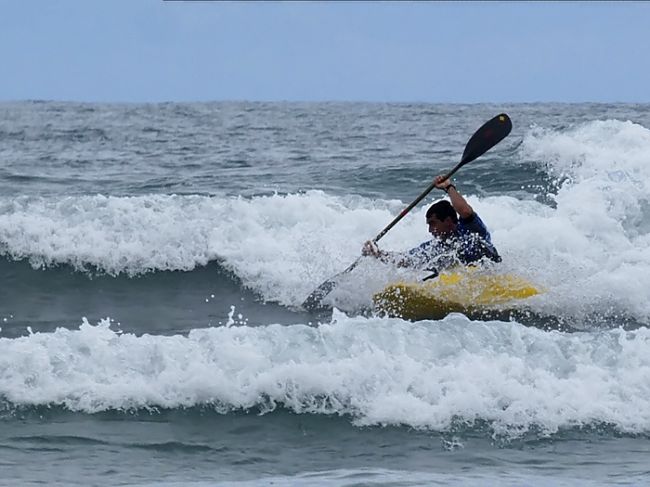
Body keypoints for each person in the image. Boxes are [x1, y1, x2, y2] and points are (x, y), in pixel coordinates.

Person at [362, 175, 501, 272]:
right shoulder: (436, 246)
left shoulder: (471, 229)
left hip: (492, 271)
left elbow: (464, 210)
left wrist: (448, 187)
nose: (430, 230)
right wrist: (377, 253)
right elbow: (406, 260)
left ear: (447, 221)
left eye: (433, 223)